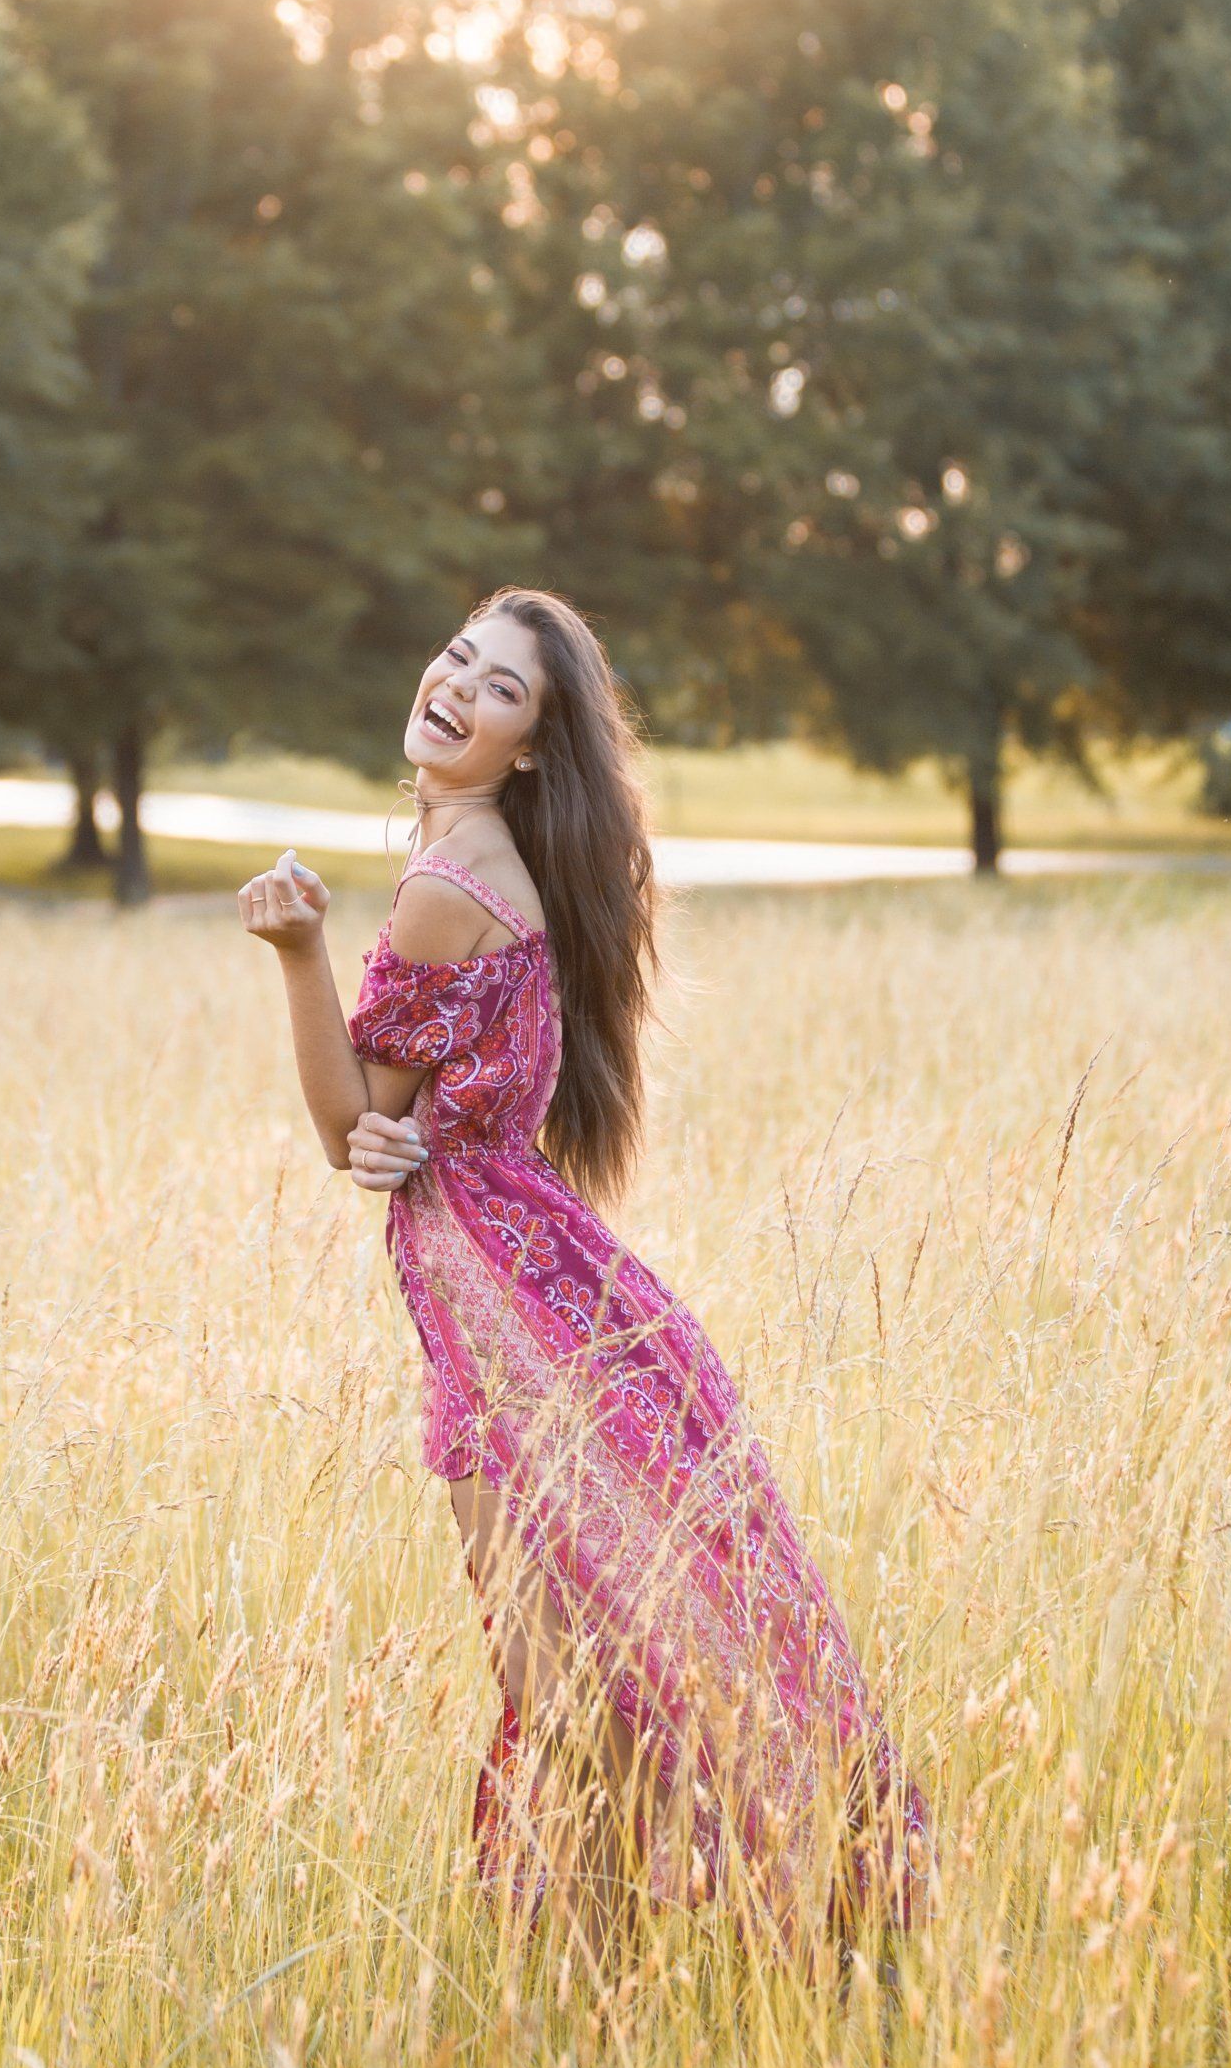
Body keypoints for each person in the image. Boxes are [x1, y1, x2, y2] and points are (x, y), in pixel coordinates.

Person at [238, 587, 926, 1960]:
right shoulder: (486, 853)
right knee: (604, 1676)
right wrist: (407, 1124)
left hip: (511, 1324)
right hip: (546, 1285)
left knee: (563, 1692)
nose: (454, 687)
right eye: (454, 659)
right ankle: (652, 1977)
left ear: (533, 745)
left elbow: (342, 1125)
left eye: (498, 689)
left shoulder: (448, 882)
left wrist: (300, 951)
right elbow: (398, 1117)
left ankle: (610, 2001)